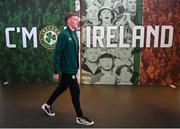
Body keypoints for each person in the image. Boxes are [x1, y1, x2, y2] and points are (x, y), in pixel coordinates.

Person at [41, 12, 94, 126]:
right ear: (69, 21)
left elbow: (74, 53)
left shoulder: (74, 34)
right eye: (75, 19)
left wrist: (76, 67)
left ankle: (47, 105)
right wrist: (56, 71)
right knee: (76, 91)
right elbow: (57, 54)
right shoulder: (64, 35)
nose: (77, 21)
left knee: (61, 88)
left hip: (72, 69)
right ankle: (80, 117)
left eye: (77, 19)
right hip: (68, 70)